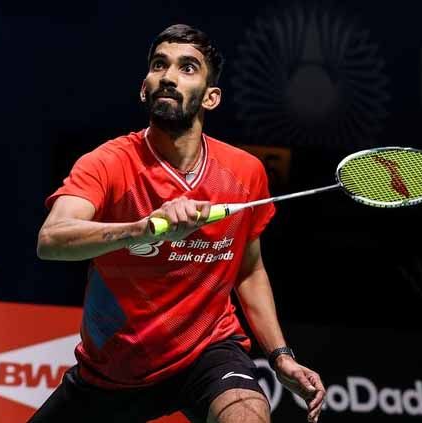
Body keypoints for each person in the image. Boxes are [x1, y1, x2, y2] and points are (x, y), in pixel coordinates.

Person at [33, 24, 325, 423]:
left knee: (248, 414)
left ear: (211, 96)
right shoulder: (108, 163)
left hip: (207, 350)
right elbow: (51, 239)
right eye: (159, 65)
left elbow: (249, 270)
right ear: (144, 88)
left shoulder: (244, 173)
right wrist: (139, 228)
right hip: (113, 370)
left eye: (188, 68)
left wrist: (281, 356)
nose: (169, 76)